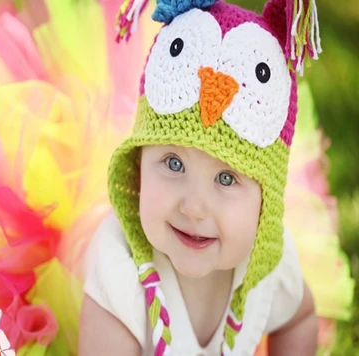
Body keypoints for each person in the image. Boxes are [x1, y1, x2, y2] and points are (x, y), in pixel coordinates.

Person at [79, 0, 322, 355]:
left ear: (263, 203)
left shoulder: (268, 265)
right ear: (138, 164)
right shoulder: (119, 270)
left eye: (226, 179)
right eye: (173, 163)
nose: (193, 207)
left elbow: (299, 318)